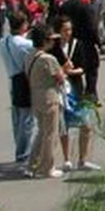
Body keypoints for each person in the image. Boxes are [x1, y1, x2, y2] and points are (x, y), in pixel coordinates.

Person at [49, 13, 98, 172]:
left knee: (86, 124)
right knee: (63, 126)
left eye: (70, 29)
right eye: (65, 30)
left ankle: (83, 159)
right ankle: (67, 159)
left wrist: (70, 72)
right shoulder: (52, 47)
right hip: (59, 90)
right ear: (58, 31)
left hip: (75, 88)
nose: (68, 33)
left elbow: (82, 67)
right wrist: (63, 70)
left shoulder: (77, 44)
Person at [25, 25, 66, 179]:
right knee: (50, 133)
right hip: (49, 96)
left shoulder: (30, 55)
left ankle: (32, 164)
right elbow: (60, 78)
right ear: (45, 41)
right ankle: (46, 167)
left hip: (35, 95)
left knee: (41, 132)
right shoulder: (48, 59)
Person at [0, 11, 34, 167]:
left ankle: (20, 149)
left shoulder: (3, 41)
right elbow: (32, 50)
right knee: (27, 119)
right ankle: (23, 153)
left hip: (12, 78)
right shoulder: (24, 44)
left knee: (17, 117)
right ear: (23, 25)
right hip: (23, 79)